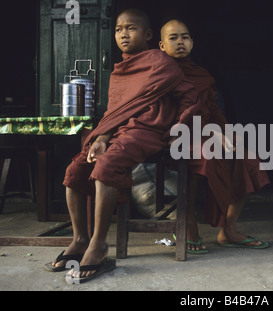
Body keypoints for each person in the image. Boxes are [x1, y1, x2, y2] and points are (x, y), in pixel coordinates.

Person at [44, 9, 198, 282]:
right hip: (117, 132)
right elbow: (115, 112)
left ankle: (99, 244)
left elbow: (189, 97)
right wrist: (102, 138)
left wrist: (179, 127)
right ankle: (80, 239)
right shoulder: (120, 71)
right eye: (118, 29)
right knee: (76, 169)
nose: (124, 34)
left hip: (147, 129)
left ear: (148, 35)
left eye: (131, 28)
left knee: (107, 165)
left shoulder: (162, 63)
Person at [159, 19, 270, 254]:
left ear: (192, 42)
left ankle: (228, 230)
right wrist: (207, 130)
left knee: (248, 159)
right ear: (161, 45)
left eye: (185, 37)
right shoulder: (159, 73)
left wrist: (228, 132)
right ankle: (187, 225)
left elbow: (213, 110)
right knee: (204, 157)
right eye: (173, 37)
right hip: (173, 135)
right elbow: (162, 114)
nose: (180, 42)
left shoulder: (202, 75)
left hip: (207, 132)